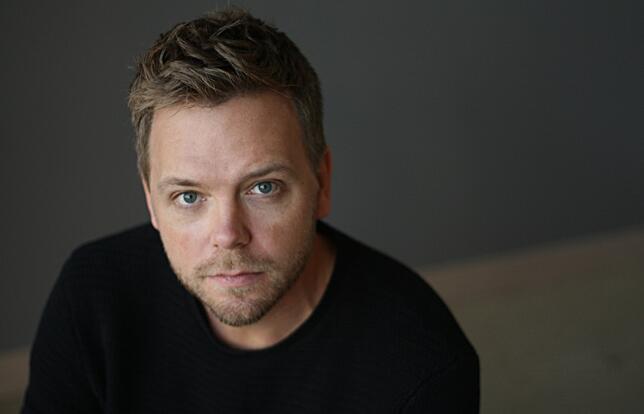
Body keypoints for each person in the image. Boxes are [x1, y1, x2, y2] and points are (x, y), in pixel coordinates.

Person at [22, 8, 479, 413]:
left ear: (321, 182)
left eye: (263, 187)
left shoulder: (420, 364)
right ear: (151, 201)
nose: (228, 234)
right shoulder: (94, 298)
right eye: (188, 196)